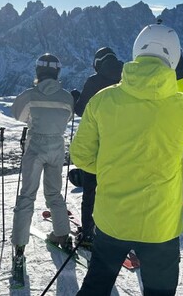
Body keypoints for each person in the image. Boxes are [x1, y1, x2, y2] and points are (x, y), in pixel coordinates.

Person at [70, 23, 183, 296]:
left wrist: (113, 169)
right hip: (160, 225)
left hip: (112, 218)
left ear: (137, 51)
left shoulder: (103, 100)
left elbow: (81, 155)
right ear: (174, 58)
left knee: (95, 287)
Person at [10, 54, 75, 276]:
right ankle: (61, 234)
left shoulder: (29, 95)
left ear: (38, 72)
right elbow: (66, 118)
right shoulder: (67, 97)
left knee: (27, 195)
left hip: (35, 146)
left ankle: (19, 247)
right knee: (54, 193)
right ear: (58, 72)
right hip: (57, 146)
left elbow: (17, 114)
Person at [71, 46, 123, 247]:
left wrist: (76, 98)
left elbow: (83, 110)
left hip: (99, 144)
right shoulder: (127, 77)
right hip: (124, 143)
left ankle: (88, 234)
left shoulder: (94, 82)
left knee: (91, 190)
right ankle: (118, 230)